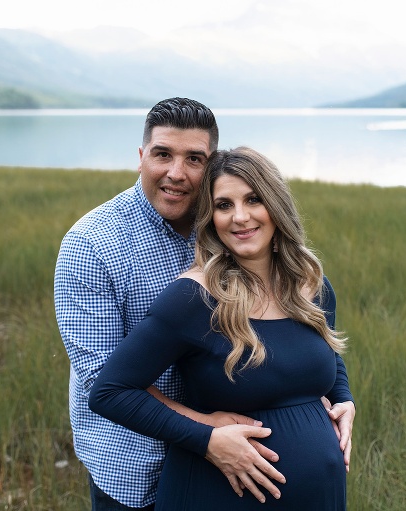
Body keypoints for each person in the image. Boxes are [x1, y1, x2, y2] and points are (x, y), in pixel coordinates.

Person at [55, 99, 310, 510]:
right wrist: (205, 430)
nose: (176, 173)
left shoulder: (228, 225)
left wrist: (338, 395)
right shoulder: (91, 246)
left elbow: (287, 317)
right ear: (141, 158)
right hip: (136, 463)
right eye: (162, 155)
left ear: (211, 167)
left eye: (194, 158)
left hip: (224, 463)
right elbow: (100, 378)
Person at [89, 146, 355, 510]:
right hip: (216, 495)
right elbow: (111, 391)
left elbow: (328, 355)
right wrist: (206, 438)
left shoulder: (311, 286)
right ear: (211, 218)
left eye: (253, 199)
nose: (240, 217)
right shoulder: (193, 299)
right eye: (224, 205)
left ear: (276, 206)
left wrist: (344, 400)